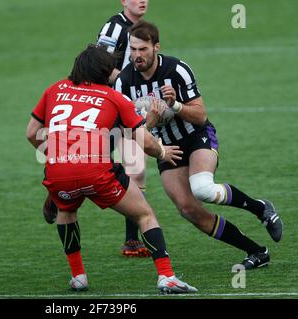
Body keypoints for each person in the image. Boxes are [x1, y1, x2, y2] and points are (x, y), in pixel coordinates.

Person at [26, 44, 197, 293]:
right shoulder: (113, 96)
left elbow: (32, 132)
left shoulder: (54, 89)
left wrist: (57, 155)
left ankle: (79, 276)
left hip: (57, 171)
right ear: (102, 71)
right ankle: (166, 277)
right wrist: (162, 151)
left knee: (67, 210)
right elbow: (145, 142)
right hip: (96, 171)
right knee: (144, 215)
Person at [114, 20, 283, 269]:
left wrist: (175, 106)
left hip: (196, 136)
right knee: (188, 210)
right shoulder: (124, 82)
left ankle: (260, 208)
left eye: (143, 49)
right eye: (133, 49)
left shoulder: (177, 70)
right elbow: (131, 135)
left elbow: (201, 115)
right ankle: (257, 252)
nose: (137, 55)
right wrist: (149, 123)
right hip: (167, 148)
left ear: (156, 47)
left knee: (202, 188)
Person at [43, 0, 152, 258]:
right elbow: (100, 66)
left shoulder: (142, 29)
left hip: (122, 106)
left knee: (136, 169)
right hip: (105, 108)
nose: (142, 1)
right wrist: (127, 82)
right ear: (123, 2)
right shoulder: (115, 27)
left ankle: (131, 241)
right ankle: (56, 194)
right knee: (87, 161)